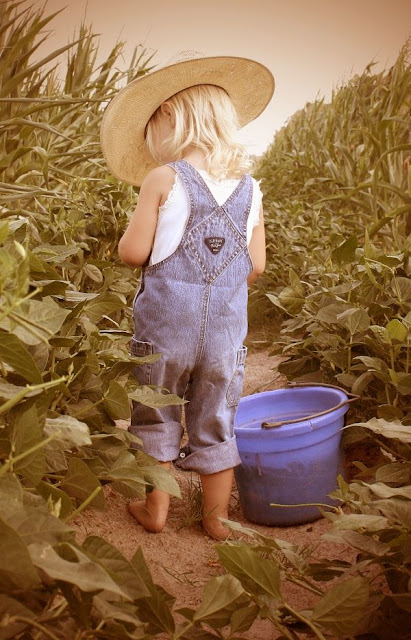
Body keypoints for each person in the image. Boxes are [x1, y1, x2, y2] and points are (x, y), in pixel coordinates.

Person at [100, 53, 275, 540]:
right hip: (224, 334)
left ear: (170, 116)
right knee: (216, 418)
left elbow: (134, 252)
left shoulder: (164, 178)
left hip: (164, 330)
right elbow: (256, 266)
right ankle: (217, 520)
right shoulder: (251, 190)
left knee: (155, 410)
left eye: (150, 130)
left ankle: (155, 509)